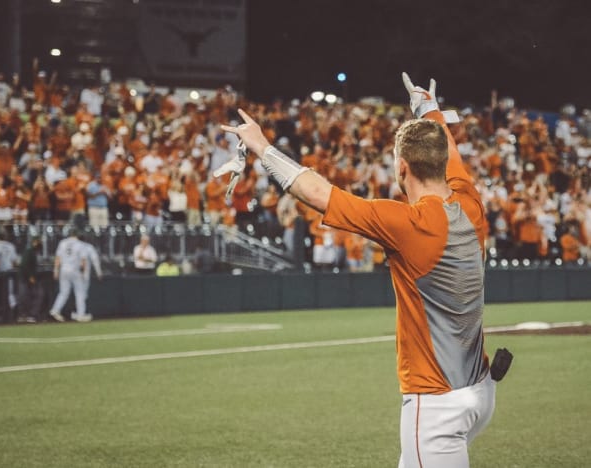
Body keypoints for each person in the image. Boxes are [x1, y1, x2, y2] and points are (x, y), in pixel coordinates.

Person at [215, 73, 505, 468]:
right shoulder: (471, 204)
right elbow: (447, 150)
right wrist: (428, 107)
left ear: (402, 167)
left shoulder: (406, 223)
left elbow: (316, 192)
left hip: (437, 401)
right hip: (479, 391)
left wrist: (261, 146)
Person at [48, 229, 88, 322]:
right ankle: (81, 314)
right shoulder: (80, 244)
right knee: (80, 293)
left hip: (64, 269)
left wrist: (56, 270)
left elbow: (58, 258)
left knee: (63, 292)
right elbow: (83, 262)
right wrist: (84, 273)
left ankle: (55, 310)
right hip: (75, 270)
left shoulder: (62, 243)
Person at [17, 236, 44, 323]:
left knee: (36, 295)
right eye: (39, 241)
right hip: (25, 278)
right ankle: (23, 315)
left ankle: (31, 315)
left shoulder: (36, 252)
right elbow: (24, 265)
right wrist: (30, 276)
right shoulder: (29, 251)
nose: (40, 243)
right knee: (24, 296)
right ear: (35, 241)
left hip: (31, 278)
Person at [76, 234, 102, 322]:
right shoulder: (87, 247)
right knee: (82, 294)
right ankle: (80, 313)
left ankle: (79, 312)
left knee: (77, 294)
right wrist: (99, 272)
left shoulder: (74, 245)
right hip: (82, 274)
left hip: (71, 273)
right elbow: (95, 260)